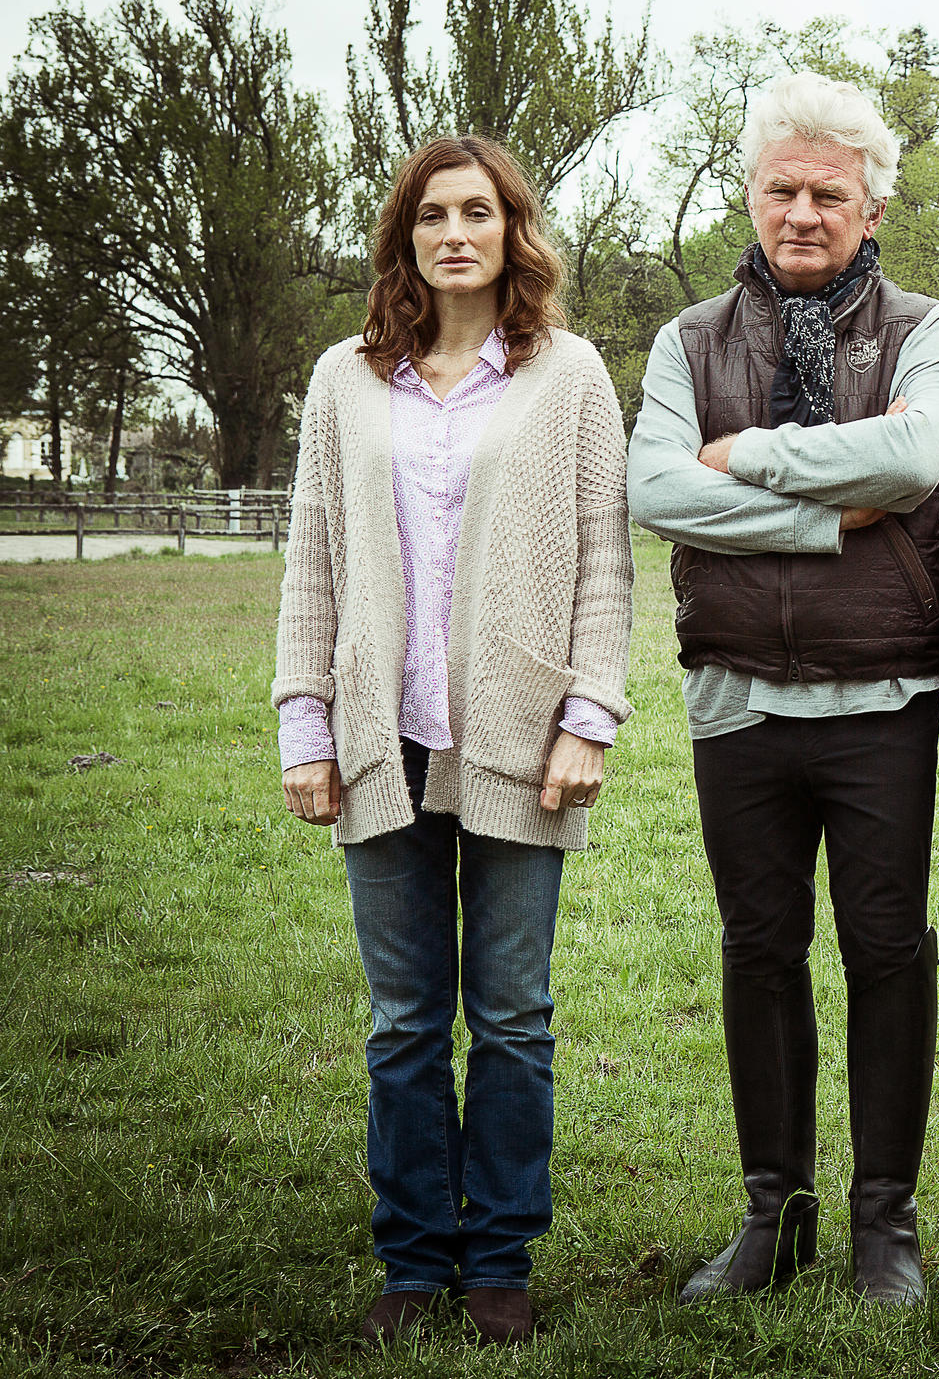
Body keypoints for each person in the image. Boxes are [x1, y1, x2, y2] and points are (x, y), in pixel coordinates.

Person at [273, 135, 634, 1347]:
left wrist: (589, 716)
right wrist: (304, 729)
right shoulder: (344, 380)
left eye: (477, 211)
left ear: (512, 230)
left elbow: (602, 560)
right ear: (406, 239)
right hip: (382, 733)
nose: (455, 233)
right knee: (404, 1019)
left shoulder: (569, 374)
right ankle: (413, 1259)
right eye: (432, 215)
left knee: (517, 1012)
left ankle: (500, 1257)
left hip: (526, 737)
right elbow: (311, 565)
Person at [626, 73, 939, 1308]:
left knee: (885, 951)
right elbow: (655, 491)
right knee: (758, 952)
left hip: (880, 697)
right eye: (784, 189)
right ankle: (776, 1215)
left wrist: (750, 460)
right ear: (750, 197)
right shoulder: (687, 341)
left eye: (832, 192)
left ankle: (887, 1228)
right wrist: (834, 520)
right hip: (736, 701)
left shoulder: (924, 330)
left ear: (872, 208)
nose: (805, 212)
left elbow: (914, 455)